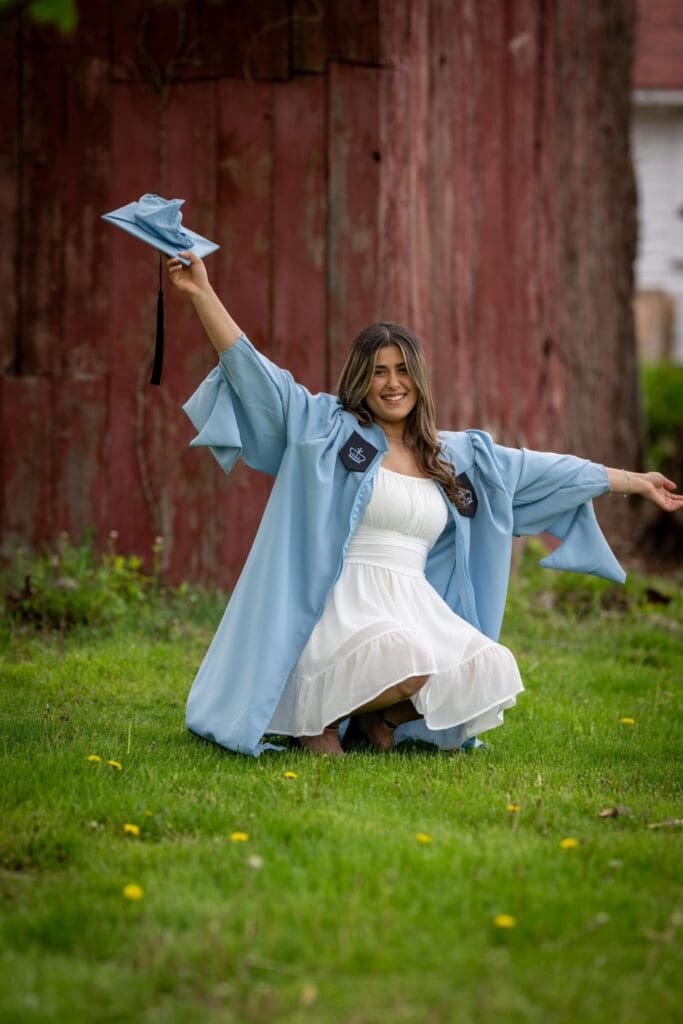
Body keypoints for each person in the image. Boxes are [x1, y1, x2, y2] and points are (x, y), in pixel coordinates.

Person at [168, 251, 683, 758]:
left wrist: (633, 481)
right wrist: (202, 293)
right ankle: (315, 721)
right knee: (408, 657)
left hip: (412, 599)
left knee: (490, 666)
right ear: (360, 381)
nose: (393, 384)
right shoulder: (326, 429)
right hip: (343, 600)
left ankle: (378, 718)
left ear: (419, 377)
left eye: (402, 370)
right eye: (378, 372)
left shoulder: (453, 455)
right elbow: (259, 378)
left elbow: (539, 469)